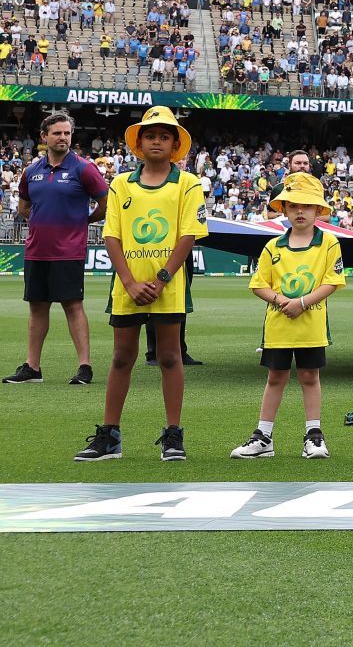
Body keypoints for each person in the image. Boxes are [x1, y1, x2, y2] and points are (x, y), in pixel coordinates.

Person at [75, 107, 206, 463]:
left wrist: (162, 279)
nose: (157, 141)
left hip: (170, 287)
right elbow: (112, 236)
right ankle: (110, 435)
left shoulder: (188, 184)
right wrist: (130, 282)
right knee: (121, 357)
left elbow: (188, 235)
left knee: (169, 356)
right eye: (151, 135)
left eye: (165, 136)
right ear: (139, 142)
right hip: (127, 288)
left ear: (175, 144)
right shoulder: (120, 184)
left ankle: (173, 434)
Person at [230, 172, 345, 461]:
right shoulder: (273, 246)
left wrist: (303, 303)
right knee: (275, 377)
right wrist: (284, 301)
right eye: (293, 205)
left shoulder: (329, 243)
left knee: (309, 376)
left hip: (311, 326)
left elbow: (333, 281)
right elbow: (258, 284)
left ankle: (314, 436)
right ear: (284, 209)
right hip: (279, 325)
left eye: (307, 205)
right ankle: (263, 437)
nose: (300, 211)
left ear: (318, 210)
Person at [6, 110, 107, 386]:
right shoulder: (31, 171)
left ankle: (84, 367)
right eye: (57, 133)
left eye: (67, 133)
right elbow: (25, 207)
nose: (63, 137)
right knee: (37, 307)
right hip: (36, 249)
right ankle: (32, 368)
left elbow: (106, 203)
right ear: (44, 137)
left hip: (69, 251)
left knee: (73, 306)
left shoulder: (84, 168)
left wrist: (81, 221)